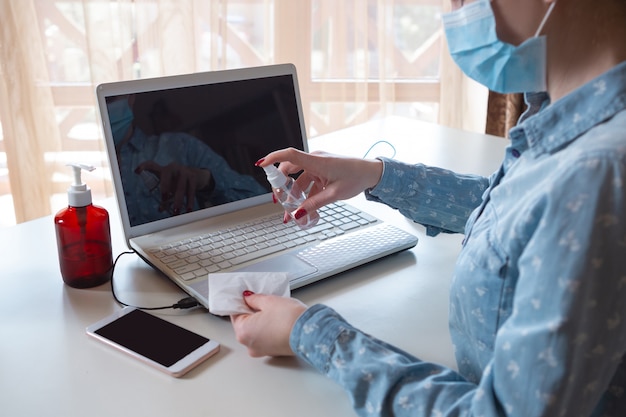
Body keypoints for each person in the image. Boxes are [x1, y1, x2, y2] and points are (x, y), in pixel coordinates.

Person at [231, 0, 626, 415]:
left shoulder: (597, 171)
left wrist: (310, 333)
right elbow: (522, 212)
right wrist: (376, 176)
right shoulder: (573, 124)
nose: (456, 8)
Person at [106, 95, 266, 225]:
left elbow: (260, 201)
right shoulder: (89, 168)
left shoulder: (180, 146)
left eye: (110, 100)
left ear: (131, 97)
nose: (105, 108)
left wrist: (206, 180)